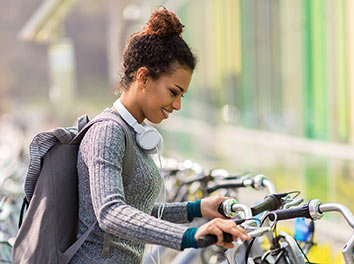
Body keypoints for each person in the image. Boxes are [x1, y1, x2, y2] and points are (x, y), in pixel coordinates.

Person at [70, 7, 250, 264]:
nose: (177, 105)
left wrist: (197, 209)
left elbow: (138, 211)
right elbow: (110, 213)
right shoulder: (107, 131)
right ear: (143, 77)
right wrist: (190, 235)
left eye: (181, 96)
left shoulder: (132, 132)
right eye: (173, 92)